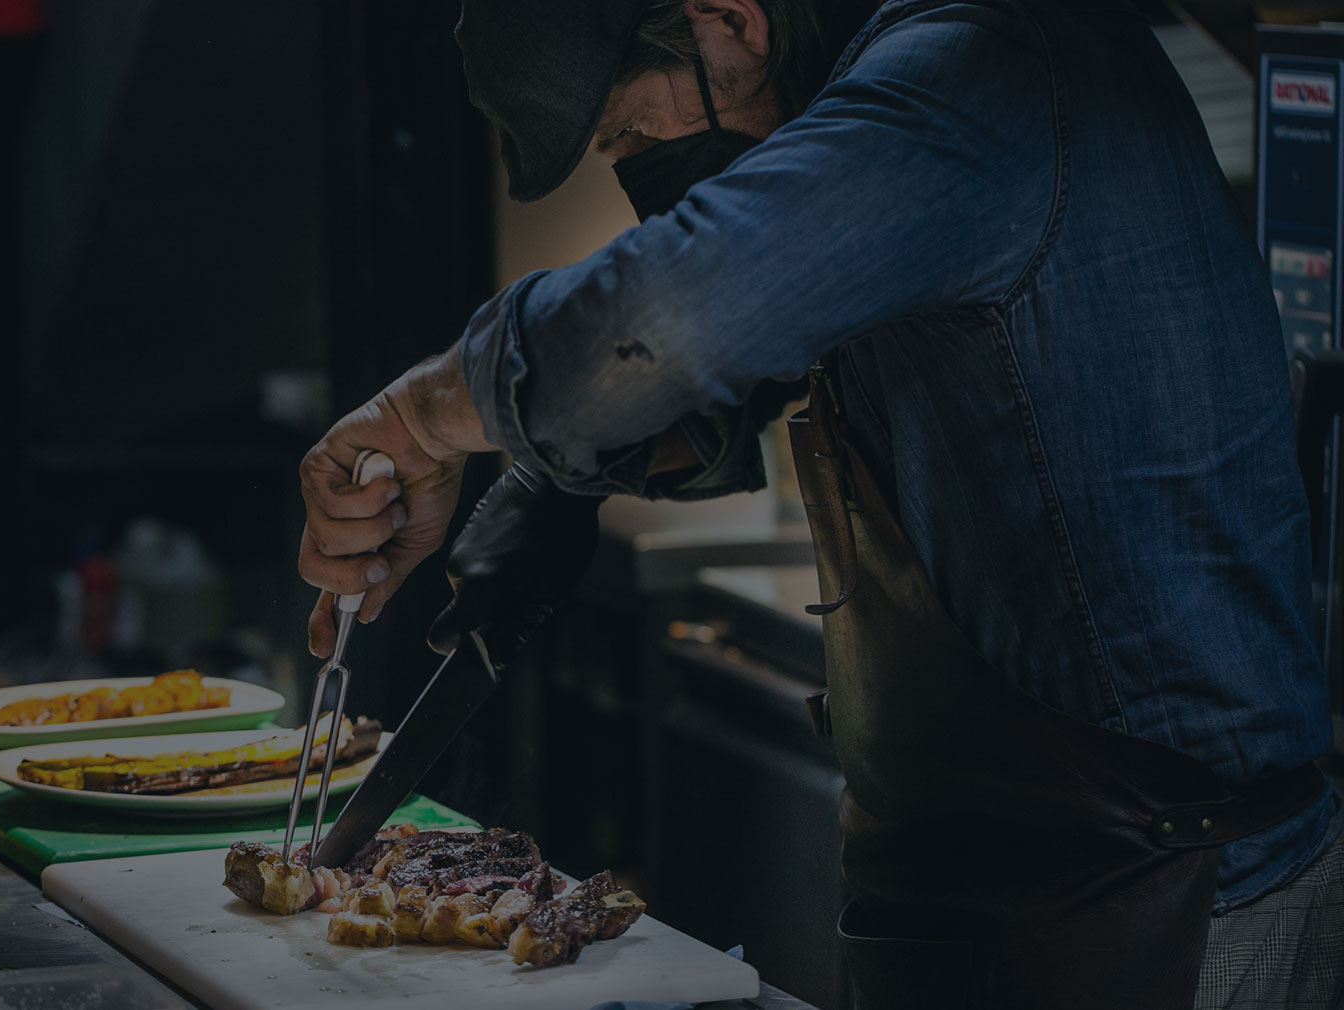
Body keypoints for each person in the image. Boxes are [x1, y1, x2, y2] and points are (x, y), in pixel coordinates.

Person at [294, 0, 1344, 1007]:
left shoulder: (980, 68)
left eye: (630, 131)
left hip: (1168, 898)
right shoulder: (869, 91)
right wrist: (547, 481)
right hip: (1027, 873)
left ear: (729, 18)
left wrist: (421, 416)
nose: (637, 175)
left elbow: (675, 316)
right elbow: (717, 386)